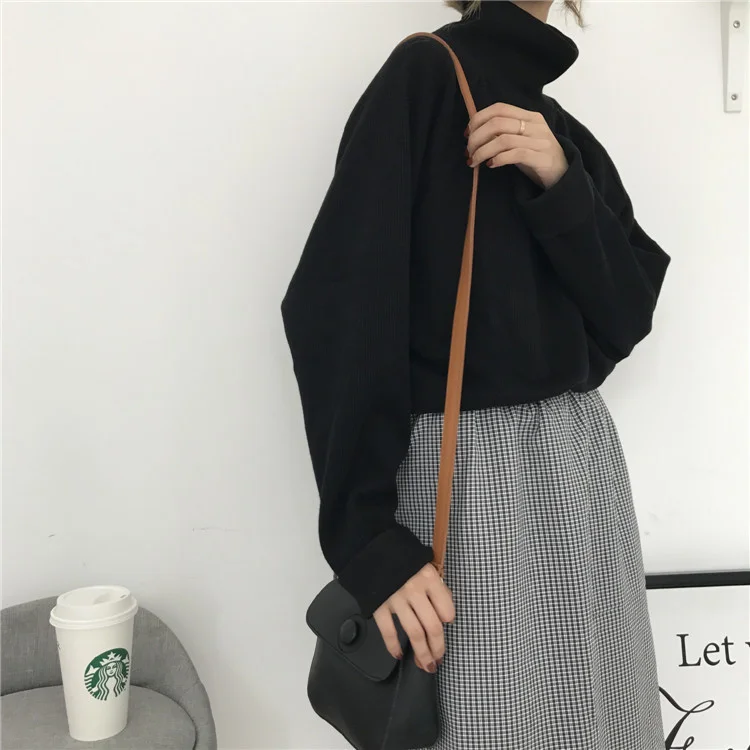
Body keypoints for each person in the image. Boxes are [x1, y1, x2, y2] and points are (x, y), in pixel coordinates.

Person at [280, 1, 671, 747]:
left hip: (580, 469)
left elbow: (628, 314)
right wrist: (369, 541)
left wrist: (560, 181)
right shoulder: (424, 76)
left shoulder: (558, 127)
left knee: (599, 718)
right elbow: (336, 309)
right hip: (472, 484)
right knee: (492, 723)